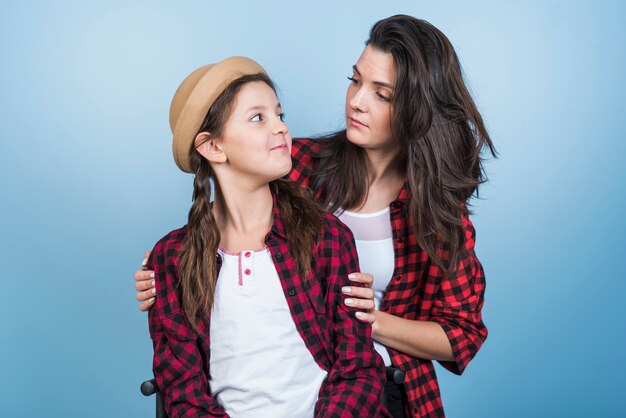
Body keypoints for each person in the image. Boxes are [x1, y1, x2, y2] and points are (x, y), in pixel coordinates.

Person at [136, 15, 494, 418]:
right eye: (355, 80)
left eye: (382, 94)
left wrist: (366, 320)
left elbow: (461, 335)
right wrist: (167, 273)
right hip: (278, 379)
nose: (357, 101)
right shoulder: (295, 163)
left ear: (417, 107)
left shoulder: (435, 210)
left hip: (381, 383)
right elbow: (229, 213)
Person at [146, 56, 387, 417]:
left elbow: (358, 370)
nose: (281, 129)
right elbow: (181, 390)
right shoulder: (171, 258)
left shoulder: (327, 238)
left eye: (280, 115)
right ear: (213, 147)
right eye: (258, 118)